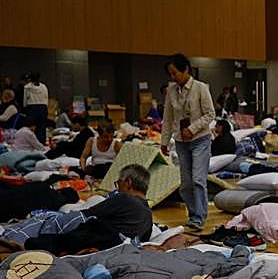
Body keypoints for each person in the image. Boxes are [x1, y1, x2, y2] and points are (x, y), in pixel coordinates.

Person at [161, 53, 214, 231]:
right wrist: (164, 141)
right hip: (181, 142)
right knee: (186, 184)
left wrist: (192, 129)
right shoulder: (171, 91)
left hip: (200, 139)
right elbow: (168, 118)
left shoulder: (201, 88)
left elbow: (210, 114)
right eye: (170, 74)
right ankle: (192, 214)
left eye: (175, 73)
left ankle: (199, 217)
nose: (173, 77)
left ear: (186, 70)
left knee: (199, 179)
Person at [82, 164, 153, 242]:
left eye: (118, 184)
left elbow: (84, 216)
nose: (117, 190)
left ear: (128, 182)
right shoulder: (149, 216)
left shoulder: (125, 199)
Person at [22, 73, 50, 143]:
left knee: (31, 128)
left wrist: (25, 107)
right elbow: (46, 97)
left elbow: (25, 99)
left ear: (30, 79)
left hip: (32, 108)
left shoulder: (27, 87)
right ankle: (41, 144)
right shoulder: (44, 86)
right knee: (42, 128)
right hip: (43, 107)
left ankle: (31, 144)